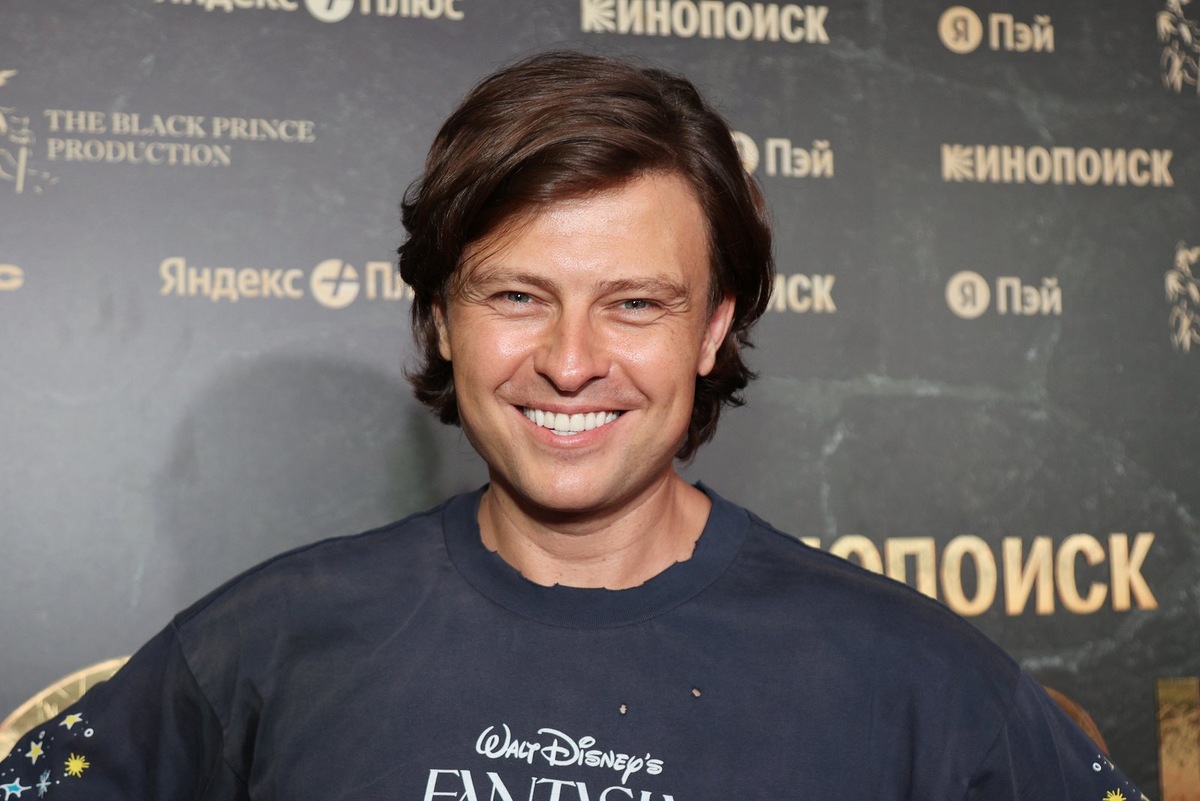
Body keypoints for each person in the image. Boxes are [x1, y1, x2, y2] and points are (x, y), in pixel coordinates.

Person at [0, 50, 1145, 800]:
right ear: (442, 319)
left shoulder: (912, 679)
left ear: (713, 329)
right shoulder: (266, 645)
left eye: (635, 305)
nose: (570, 361)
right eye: (516, 296)